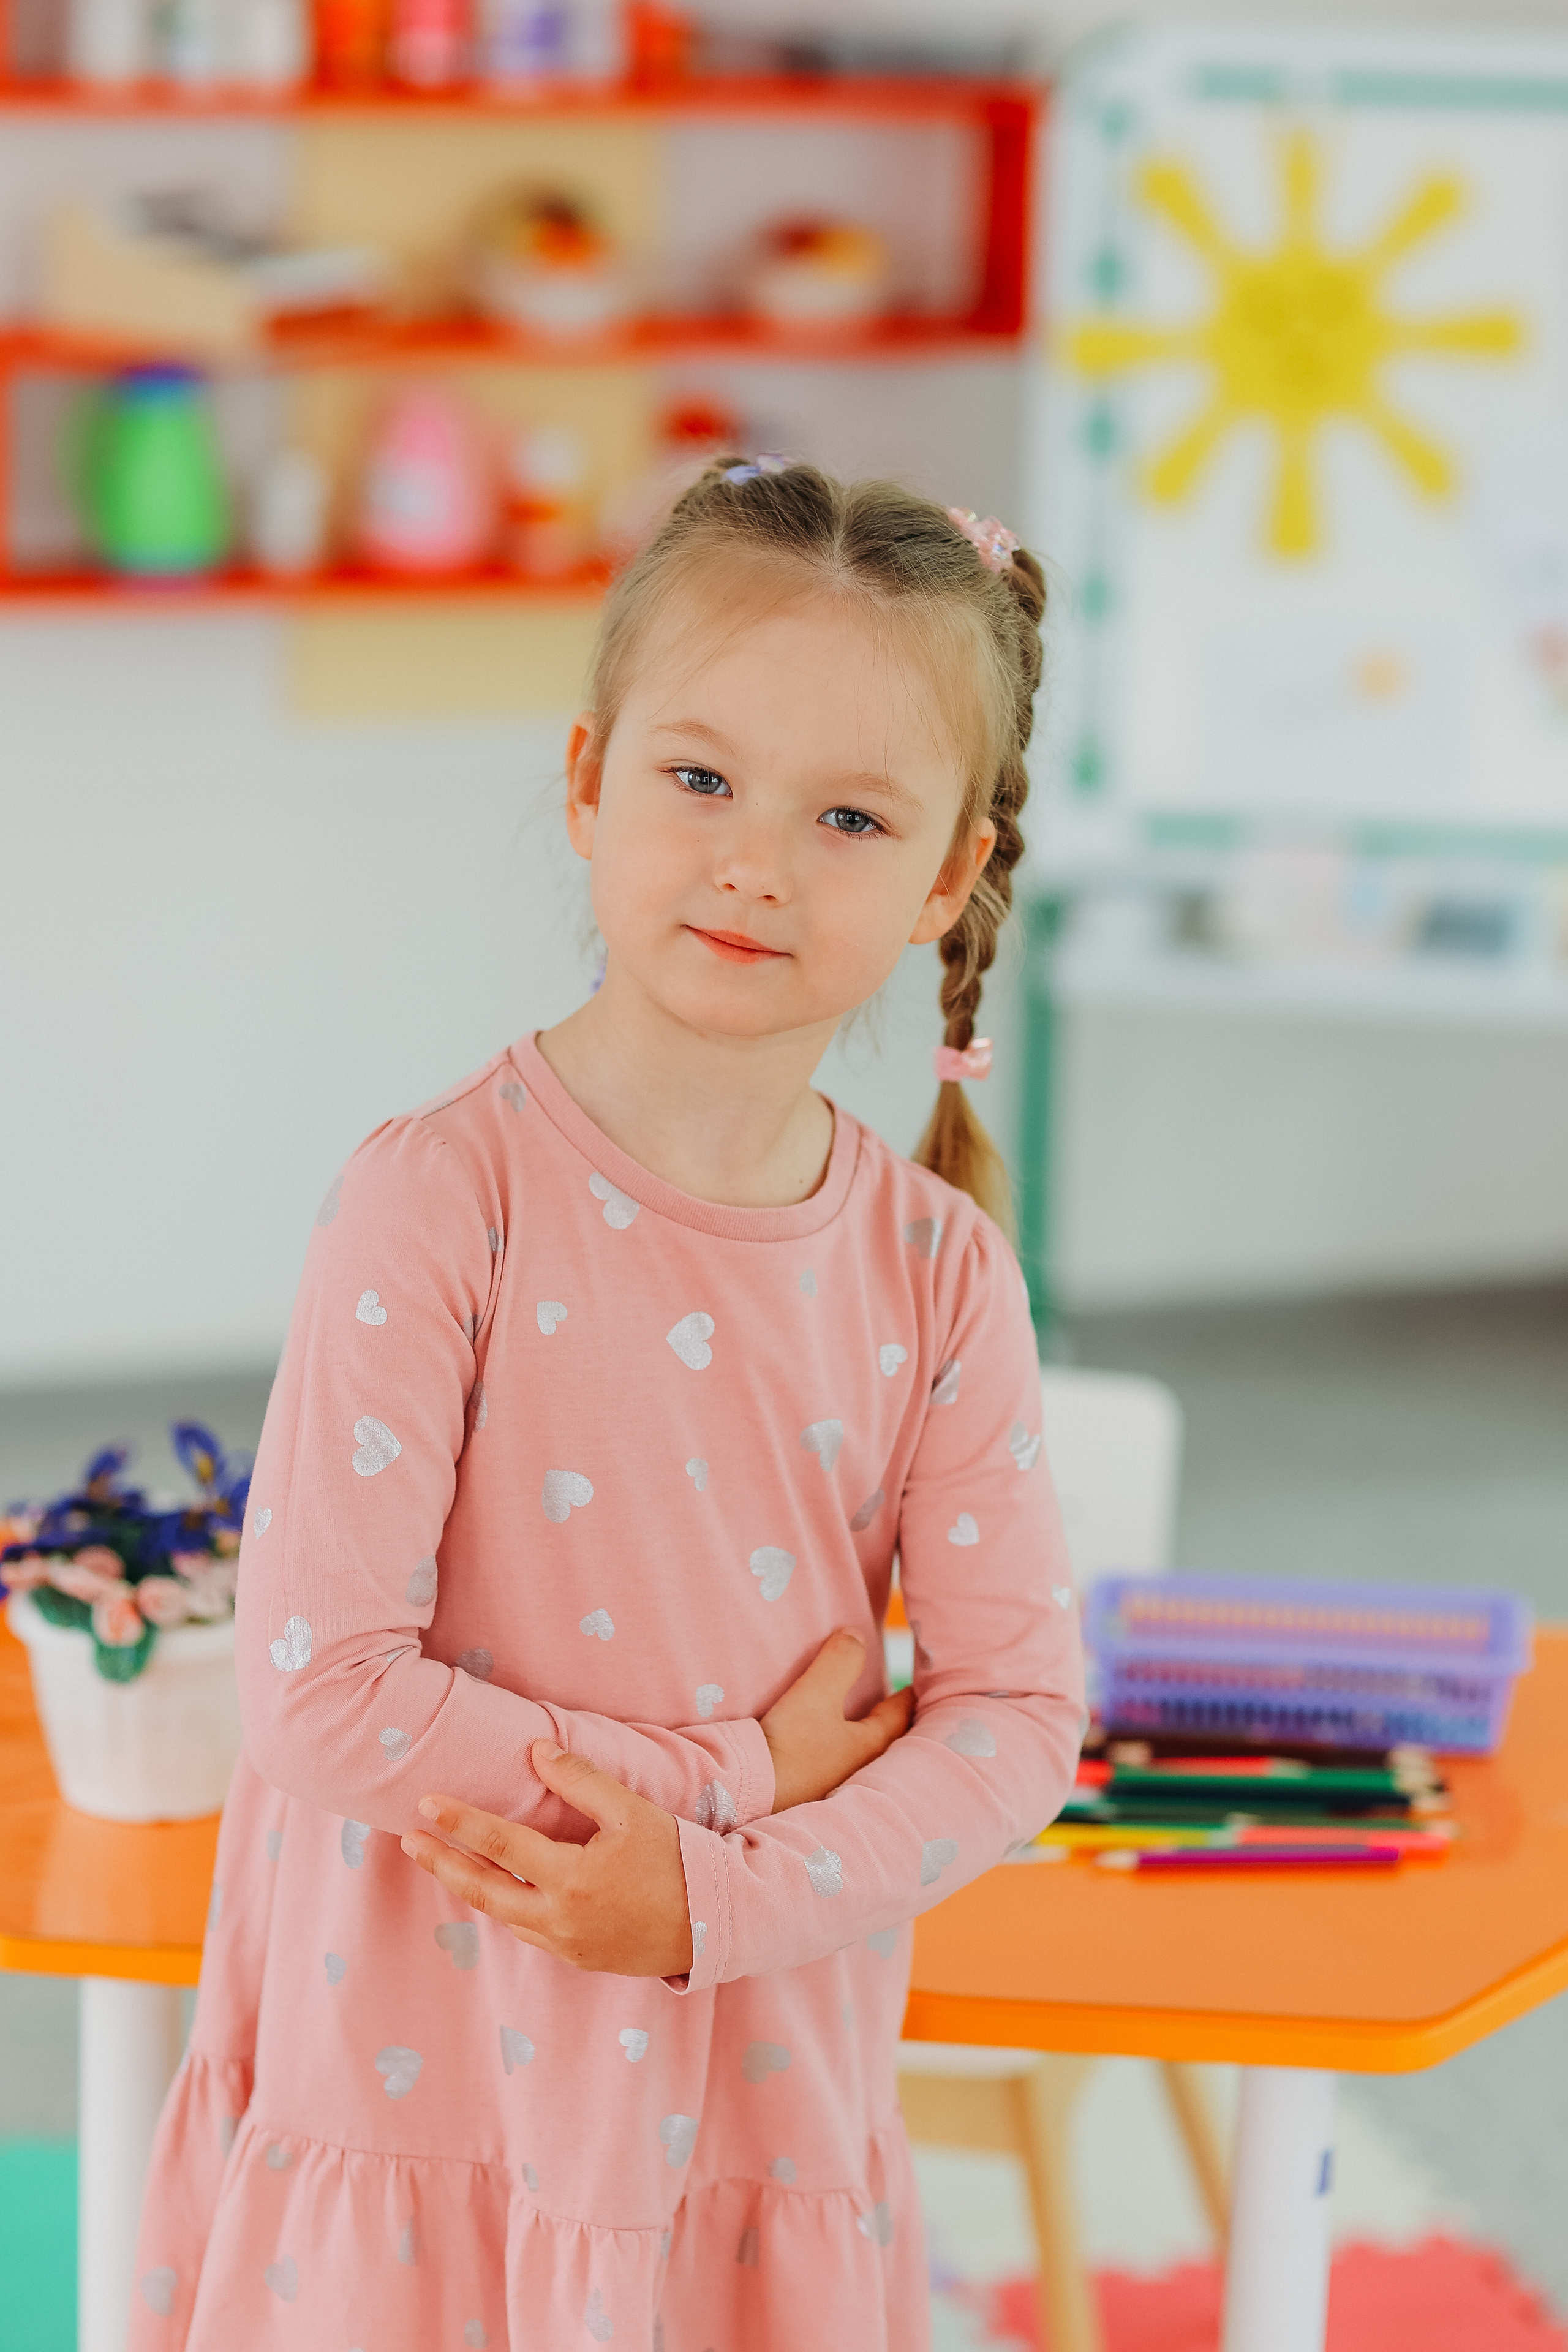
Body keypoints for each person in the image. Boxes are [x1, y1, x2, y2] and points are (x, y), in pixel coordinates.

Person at [130, 458, 1084, 2351]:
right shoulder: (440, 1199)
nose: (755, 859)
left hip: (749, 2086)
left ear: (945, 879)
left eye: (851, 815)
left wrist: (717, 1901)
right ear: (588, 780)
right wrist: (740, 1785)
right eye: (702, 779)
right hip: (423, 2069)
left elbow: (1016, 1721)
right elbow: (322, 1690)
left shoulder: (942, 1273)